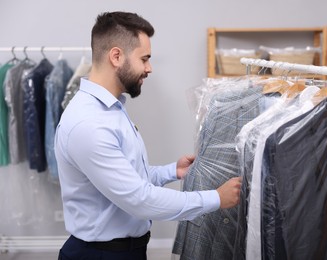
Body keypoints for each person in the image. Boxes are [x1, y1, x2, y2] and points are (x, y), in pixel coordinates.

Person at [54, 11, 242, 260]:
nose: (149, 68)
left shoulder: (111, 109)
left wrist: (172, 171)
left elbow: (128, 178)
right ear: (116, 56)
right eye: (144, 59)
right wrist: (215, 198)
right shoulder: (89, 123)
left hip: (123, 250)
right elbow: (139, 199)